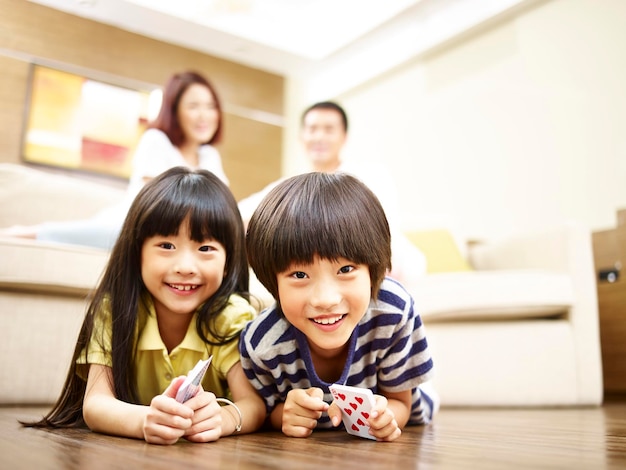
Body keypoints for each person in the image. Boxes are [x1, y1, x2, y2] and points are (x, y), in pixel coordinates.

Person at [21, 167, 266, 444]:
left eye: (205, 249)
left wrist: (221, 420)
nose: (185, 267)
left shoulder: (231, 315)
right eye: (166, 246)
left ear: (228, 263)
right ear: (137, 253)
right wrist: (145, 420)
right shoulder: (115, 310)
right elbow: (96, 403)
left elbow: (253, 405)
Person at [239, 172, 438, 442]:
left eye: (345, 269)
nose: (325, 299)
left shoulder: (392, 312)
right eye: (299, 275)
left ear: (373, 269)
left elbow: (400, 402)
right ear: (272, 282)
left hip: (409, 419)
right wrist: (285, 415)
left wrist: (384, 416)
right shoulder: (262, 343)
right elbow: (267, 412)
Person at [1, 70, 228, 250]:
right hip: (132, 223)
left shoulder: (210, 156)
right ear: (174, 111)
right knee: (73, 235)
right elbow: (162, 198)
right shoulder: (156, 140)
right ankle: (18, 234)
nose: (204, 115)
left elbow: (222, 205)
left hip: (180, 234)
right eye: (193, 106)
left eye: (210, 107)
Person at [238, 101, 427, 285]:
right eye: (312, 129)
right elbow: (237, 214)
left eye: (329, 129)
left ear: (343, 137)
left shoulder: (372, 175)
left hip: (386, 266)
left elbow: (383, 231)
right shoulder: (288, 187)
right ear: (302, 136)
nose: (319, 137)